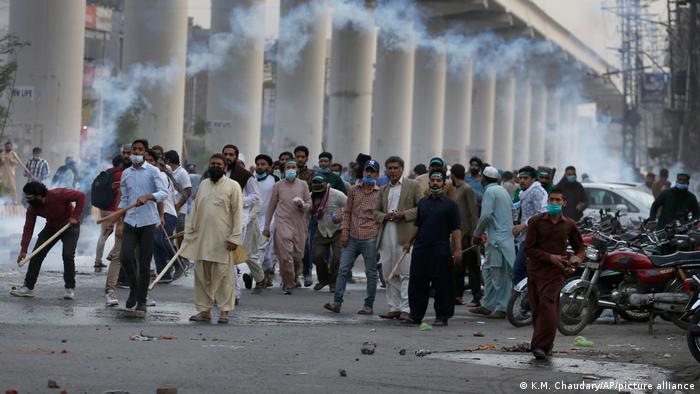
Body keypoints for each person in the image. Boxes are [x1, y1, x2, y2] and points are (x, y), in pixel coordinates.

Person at [180, 154, 243, 324]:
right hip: (202, 239)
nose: (215, 166)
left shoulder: (233, 186)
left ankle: (224, 312)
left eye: (219, 164)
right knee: (202, 276)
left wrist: (235, 237)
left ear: (225, 167)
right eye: (213, 163)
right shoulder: (203, 185)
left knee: (224, 277)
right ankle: (205, 311)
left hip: (223, 241)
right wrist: (190, 233)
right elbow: (195, 210)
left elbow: (238, 213)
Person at [525, 188, 585, 359]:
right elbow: (529, 249)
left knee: (548, 305)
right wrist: (550, 257)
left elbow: (580, 247)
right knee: (537, 310)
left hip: (556, 273)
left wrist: (577, 258)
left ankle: (540, 347)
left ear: (564, 203)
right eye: (552, 200)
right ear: (547, 201)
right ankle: (546, 344)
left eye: (558, 200)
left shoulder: (569, 224)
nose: (554, 203)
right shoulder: (536, 222)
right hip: (536, 271)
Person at [401, 170, 462, 326]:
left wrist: (457, 249)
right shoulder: (423, 203)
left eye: (438, 180)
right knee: (417, 283)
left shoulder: (450, 205)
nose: (435, 183)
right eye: (433, 180)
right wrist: (408, 241)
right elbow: (417, 224)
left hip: (440, 249)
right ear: (429, 183)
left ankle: (442, 316)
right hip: (421, 249)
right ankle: (415, 315)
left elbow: (456, 229)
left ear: (443, 183)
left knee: (442, 284)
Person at [117, 139, 169, 316]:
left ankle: (141, 300)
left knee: (145, 264)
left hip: (148, 222)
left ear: (145, 152)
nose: (136, 152)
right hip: (130, 221)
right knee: (125, 257)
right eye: (134, 149)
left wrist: (148, 196)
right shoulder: (126, 173)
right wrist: (117, 220)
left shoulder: (154, 171)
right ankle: (134, 289)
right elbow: (124, 199)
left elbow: (164, 193)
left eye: (140, 150)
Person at [323, 160, 381, 314]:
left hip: (370, 237)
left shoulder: (380, 193)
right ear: (363, 172)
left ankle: (368, 306)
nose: (369, 174)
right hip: (352, 236)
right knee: (343, 269)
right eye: (367, 171)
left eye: (372, 171)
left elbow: (380, 217)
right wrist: (344, 232)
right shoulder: (354, 190)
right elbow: (347, 212)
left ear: (377, 174)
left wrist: (380, 239)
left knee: (371, 273)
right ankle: (337, 302)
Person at [11, 182, 85, 299]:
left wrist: (75, 216)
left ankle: (69, 288)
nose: (28, 201)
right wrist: (23, 250)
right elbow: (28, 228)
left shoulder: (59, 194)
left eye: (30, 198)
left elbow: (80, 196)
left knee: (68, 255)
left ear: (40, 195)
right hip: (51, 227)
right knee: (37, 254)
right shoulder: (32, 209)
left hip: (70, 226)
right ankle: (28, 287)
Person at [374, 157, 422, 321]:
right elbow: (375, 212)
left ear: (402, 169)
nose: (392, 171)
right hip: (387, 232)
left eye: (395, 168)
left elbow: (421, 208)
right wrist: (385, 216)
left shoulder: (413, 185)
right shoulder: (384, 188)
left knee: (406, 273)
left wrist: (403, 214)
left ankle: (405, 308)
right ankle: (393, 307)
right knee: (389, 271)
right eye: (390, 168)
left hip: (405, 234)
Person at [471, 166, 516, 319]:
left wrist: (477, 234)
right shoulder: (502, 190)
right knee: (488, 271)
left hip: (498, 241)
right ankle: (488, 305)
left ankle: (502, 307)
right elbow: (512, 211)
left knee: (499, 274)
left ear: (484, 179)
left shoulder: (490, 192)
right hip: (500, 238)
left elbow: (486, 216)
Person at [263, 160, 311, 294]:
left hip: (299, 223)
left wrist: (302, 205)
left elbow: (309, 203)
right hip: (282, 222)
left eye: (293, 167)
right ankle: (288, 282)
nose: (291, 169)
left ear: (297, 170)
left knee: (297, 255)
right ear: (284, 170)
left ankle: (294, 276)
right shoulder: (278, 186)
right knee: (285, 255)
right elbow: (271, 206)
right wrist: (267, 226)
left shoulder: (303, 185)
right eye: (288, 167)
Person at [512, 166, 548, 285]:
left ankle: (528, 299)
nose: (522, 180)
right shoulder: (524, 192)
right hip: (525, 237)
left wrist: (523, 225)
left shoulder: (536, 192)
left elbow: (541, 213)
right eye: (520, 178)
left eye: (525, 178)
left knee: (518, 270)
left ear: (533, 179)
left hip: (533, 238)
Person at [450, 164, 480, 306]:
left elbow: (473, 213)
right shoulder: (454, 189)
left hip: (467, 235)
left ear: (453, 175)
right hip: (457, 234)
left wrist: (475, 234)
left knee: (472, 267)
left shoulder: (467, 189)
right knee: (458, 267)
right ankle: (458, 295)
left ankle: (476, 297)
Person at [310, 175, 347, 291]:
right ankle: (323, 279)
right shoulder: (312, 196)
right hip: (322, 230)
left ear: (325, 184)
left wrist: (342, 216)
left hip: (337, 230)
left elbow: (350, 206)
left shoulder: (336, 194)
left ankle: (334, 282)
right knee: (317, 256)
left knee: (337, 257)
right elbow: (308, 210)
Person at [95, 155, 125, 270]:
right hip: (113, 209)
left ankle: (101, 258)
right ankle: (107, 256)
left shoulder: (107, 172)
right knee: (117, 232)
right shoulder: (119, 174)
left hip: (103, 207)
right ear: (121, 164)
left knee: (105, 232)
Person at [293, 145, 317, 287]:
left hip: (306, 212)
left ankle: (307, 272)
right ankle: (294, 275)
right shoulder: (289, 172)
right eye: (298, 156)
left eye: (303, 156)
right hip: (289, 212)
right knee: (290, 244)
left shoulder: (312, 174)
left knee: (305, 243)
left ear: (307, 158)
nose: (300, 159)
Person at [255, 154, 279, 287]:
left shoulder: (275, 180)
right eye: (258, 164)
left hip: (270, 217)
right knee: (265, 251)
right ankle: (267, 271)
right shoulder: (251, 179)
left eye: (263, 164)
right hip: (253, 217)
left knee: (262, 246)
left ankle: (256, 275)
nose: (260, 166)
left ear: (269, 167)